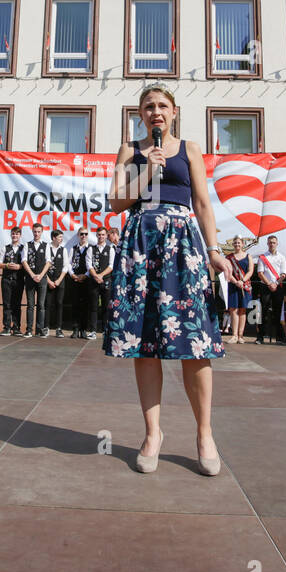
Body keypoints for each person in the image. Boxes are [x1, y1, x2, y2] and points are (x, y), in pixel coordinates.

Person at [106, 85, 227, 476]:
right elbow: (117, 202)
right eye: (148, 106)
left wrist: (214, 251)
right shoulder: (131, 150)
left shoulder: (190, 149)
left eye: (162, 106)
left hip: (182, 246)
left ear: (174, 112)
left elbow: (203, 204)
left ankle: (205, 434)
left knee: (195, 342)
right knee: (144, 342)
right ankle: (152, 434)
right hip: (141, 244)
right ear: (140, 114)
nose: (155, 111)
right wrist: (146, 171)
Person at [254, 235, 286, 345]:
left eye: (273, 242)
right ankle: (260, 337)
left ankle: (280, 337)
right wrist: (269, 283)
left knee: (277, 312)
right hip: (265, 286)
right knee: (263, 312)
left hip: (277, 286)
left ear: (277, 243)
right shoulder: (263, 257)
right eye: (270, 242)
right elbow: (260, 273)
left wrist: (276, 284)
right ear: (267, 244)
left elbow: (283, 273)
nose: (272, 244)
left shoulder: (282, 257)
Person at [20, 223, 52, 337]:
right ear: (32, 232)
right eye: (35, 231)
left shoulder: (46, 245)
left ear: (42, 232)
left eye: (38, 232)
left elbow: (48, 262)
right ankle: (29, 329)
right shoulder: (27, 245)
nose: (36, 233)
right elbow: (24, 261)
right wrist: (33, 275)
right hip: (30, 278)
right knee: (30, 304)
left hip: (42, 279)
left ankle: (40, 329)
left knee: (41, 305)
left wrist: (40, 275)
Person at [88, 227, 118, 339]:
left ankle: (105, 330)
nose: (101, 237)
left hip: (106, 281)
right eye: (99, 234)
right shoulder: (91, 249)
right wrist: (96, 276)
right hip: (94, 281)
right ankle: (93, 331)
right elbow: (89, 265)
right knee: (94, 306)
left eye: (103, 235)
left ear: (106, 236)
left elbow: (111, 265)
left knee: (106, 306)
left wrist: (101, 275)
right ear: (96, 235)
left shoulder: (110, 249)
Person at [225, 237, 253, 344]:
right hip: (233, 285)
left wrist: (242, 280)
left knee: (243, 309)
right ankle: (234, 335)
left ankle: (241, 335)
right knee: (233, 309)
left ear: (243, 244)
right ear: (233, 244)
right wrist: (235, 282)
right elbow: (227, 271)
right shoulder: (229, 257)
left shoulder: (248, 256)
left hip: (245, 285)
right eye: (235, 243)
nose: (237, 244)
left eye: (239, 243)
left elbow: (250, 271)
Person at [68, 228, 93, 338]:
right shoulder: (73, 249)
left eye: (85, 234)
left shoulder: (92, 248)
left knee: (86, 305)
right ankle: (75, 328)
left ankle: (83, 329)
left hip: (87, 280)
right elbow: (68, 264)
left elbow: (92, 264)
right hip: (74, 280)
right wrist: (73, 275)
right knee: (75, 305)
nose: (83, 236)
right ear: (78, 235)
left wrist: (85, 275)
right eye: (81, 234)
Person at [44, 229, 69, 337]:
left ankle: (59, 328)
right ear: (54, 238)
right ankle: (46, 327)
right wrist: (48, 281)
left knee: (59, 304)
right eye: (59, 237)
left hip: (60, 281)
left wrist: (59, 280)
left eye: (62, 237)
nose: (61, 239)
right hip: (48, 280)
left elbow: (66, 266)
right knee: (47, 304)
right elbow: (42, 265)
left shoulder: (63, 250)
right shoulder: (46, 248)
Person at [0, 229, 24, 336]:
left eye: (17, 234)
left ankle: (16, 327)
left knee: (17, 304)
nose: (15, 236)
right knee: (7, 304)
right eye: (13, 234)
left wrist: (20, 266)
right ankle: (7, 327)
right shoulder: (5, 247)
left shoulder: (24, 248)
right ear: (11, 235)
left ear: (20, 235)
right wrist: (6, 265)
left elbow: (27, 263)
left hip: (18, 280)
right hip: (6, 279)